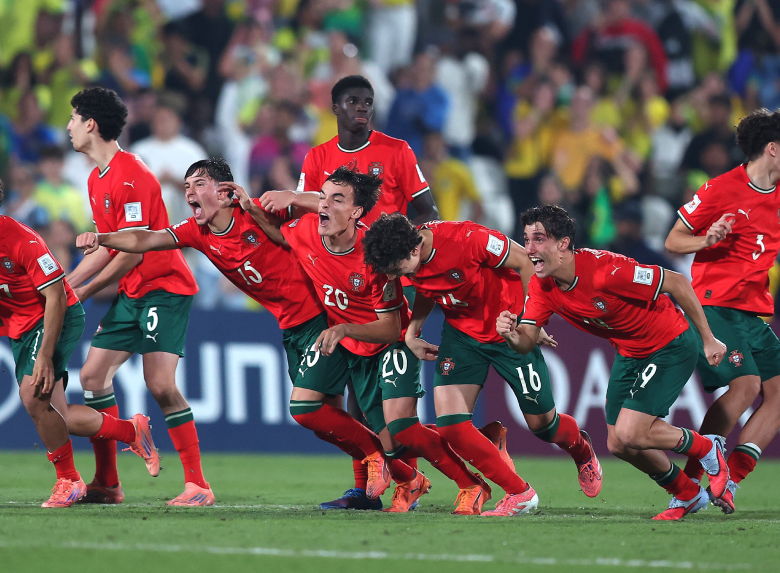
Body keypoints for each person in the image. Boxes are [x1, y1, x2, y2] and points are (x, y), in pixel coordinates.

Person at [75, 158, 407, 510]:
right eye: (186, 186)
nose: (189, 191)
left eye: (198, 184)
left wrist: (289, 194)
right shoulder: (196, 232)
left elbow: (324, 202)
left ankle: (379, 461)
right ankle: (373, 485)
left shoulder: (255, 209)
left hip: (320, 317)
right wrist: (103, 238)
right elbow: (148, 238)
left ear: (223, 191)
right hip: (291, 325)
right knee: (328, 414)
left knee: (310, 409)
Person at [250, 167, 518, 516]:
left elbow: (391, 327)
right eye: (323, 197)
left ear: (357, 212)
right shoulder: (306, 230)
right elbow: (283, 236)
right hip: (347, 341)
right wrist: (252, 207)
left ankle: (472, 484)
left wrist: (344, 329)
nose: (323, 207)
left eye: (336, 199)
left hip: (388, 343)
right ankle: (406, 462)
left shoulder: (372, 257)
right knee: (305, 408)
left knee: (402, 431)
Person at [0, 169, 158, 509]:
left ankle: (69, 481)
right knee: (57, 413)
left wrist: (46, 356)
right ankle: (131, 432)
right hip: (20, 327)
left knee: (33, 393)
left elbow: (56, 297)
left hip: (56, 316)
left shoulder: (23, 240)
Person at [497, 205, 732, 521]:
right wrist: (512, 335)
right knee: (619, 444)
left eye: (538, 239)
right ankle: (687, 494)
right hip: (630, 352)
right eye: (526, 239)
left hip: (670, 343)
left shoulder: (607, 271)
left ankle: (707, 449)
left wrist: (708, 338)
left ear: (564, 243)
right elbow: (526, 342)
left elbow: (677, 282)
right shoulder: (543, 286)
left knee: (633, 432)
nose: (529, 249)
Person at [664, 109, 780, 507]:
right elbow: (674, 241)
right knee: (746, 386)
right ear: (772, 149)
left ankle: (730, 479)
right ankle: (694, 477)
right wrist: (706, 240)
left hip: (752, 311)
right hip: (713, 306)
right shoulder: (719, 189)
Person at [362, 213, 600, 509]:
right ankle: (519, 493)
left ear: (415, 249)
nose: (396, 277)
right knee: (451, 425)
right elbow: (428, 288)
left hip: (507, 330)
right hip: (461, 335)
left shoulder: (468, 239)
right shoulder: (410, 257)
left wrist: (530, 322)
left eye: (398, 270)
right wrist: (412, 331)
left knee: (544, 426)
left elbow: (524, 262)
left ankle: (580, 448)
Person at [63, 87, 208, 507]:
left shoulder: (134, 174)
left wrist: (86, 291)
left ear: (91, 124)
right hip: (132, 293)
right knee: (92, 377)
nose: (68, 126)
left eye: (73, 118)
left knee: (160, 385)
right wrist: (68, 285)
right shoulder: (97, 178)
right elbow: (109, 246)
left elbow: (135, 249)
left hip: (164, 287)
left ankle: (198, 484)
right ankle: (107, 482)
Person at [265, 76, 438, 225]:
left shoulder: (397, 150)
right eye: (353, 101)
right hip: (332, 259)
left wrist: (397, 243)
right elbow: (301, 214)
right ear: (336, 108)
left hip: (381, 261)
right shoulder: (317, 156)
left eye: (368, 102)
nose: (362, 107)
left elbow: (430, 213)